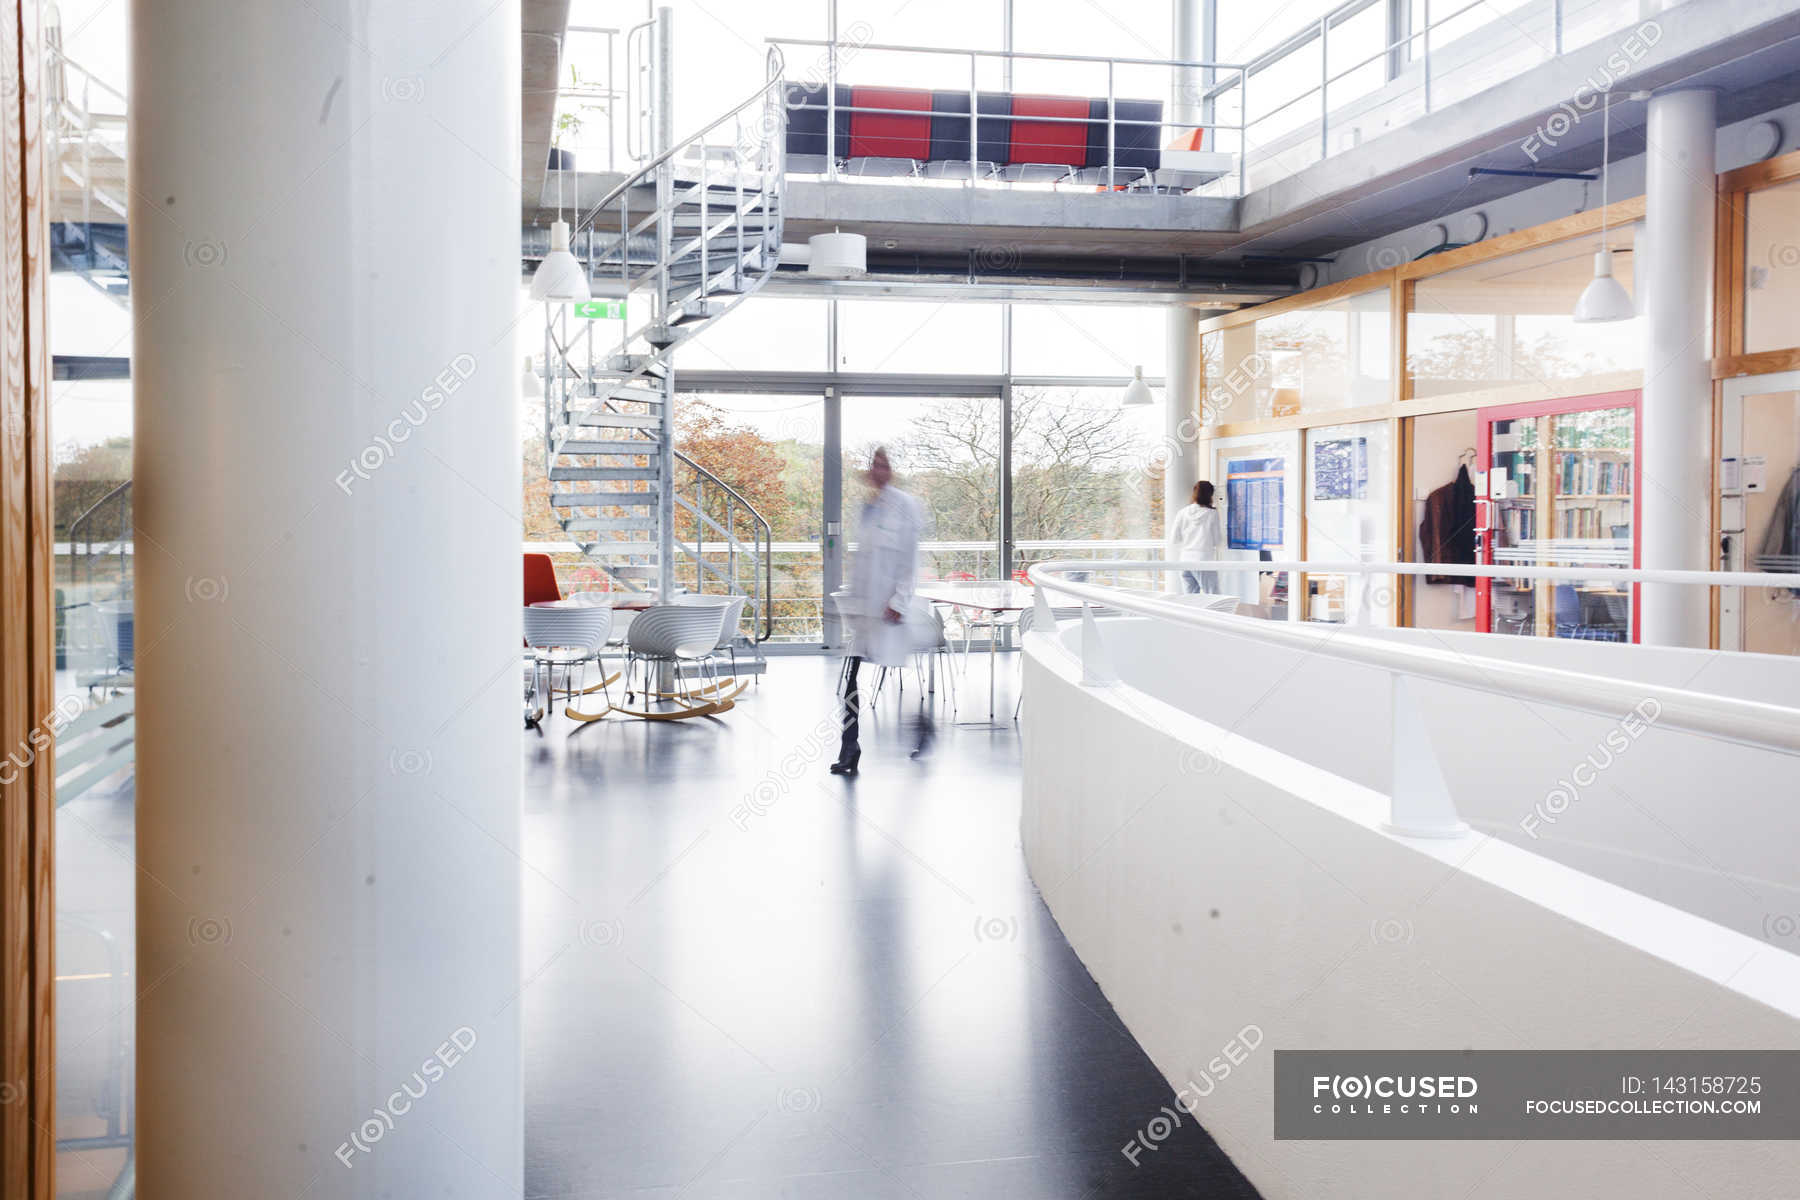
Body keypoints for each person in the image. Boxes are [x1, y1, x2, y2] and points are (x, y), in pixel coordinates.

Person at [832, 447, 931, 775]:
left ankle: (921, 727)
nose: (877, 470)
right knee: (851, 679)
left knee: (900, 674)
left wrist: (899, 601)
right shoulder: (869, 508)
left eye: (883, 464)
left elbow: (910, 560)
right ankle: (850, 747)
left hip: (890, 610)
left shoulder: (905, 506)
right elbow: (862, 562)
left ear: (892, 470)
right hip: (865, 613)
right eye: (873, 464)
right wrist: (851, 603)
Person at [1168, 480, 1223, 594]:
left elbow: (1174, 538)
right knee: (1213, 596)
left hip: (1184, 561)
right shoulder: (1212, 514)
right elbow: (1217, 540)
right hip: (1204, 561)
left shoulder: (1182, 512)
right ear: (1210, 495)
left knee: (1190, 600)